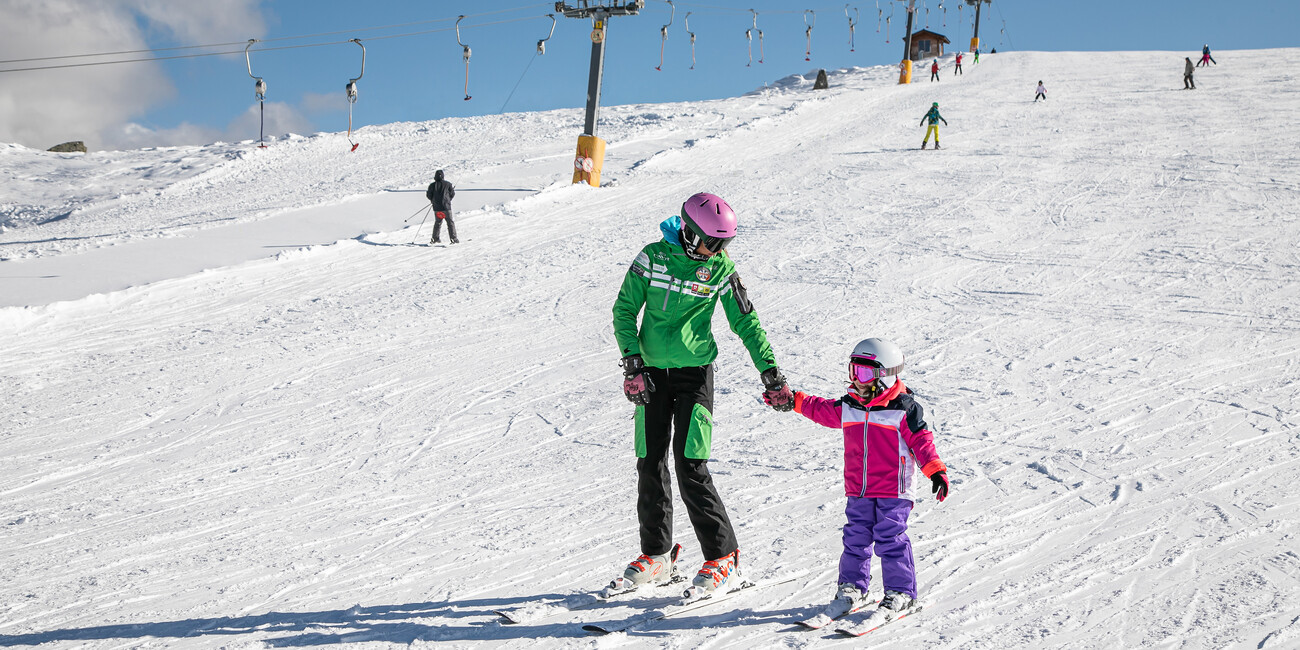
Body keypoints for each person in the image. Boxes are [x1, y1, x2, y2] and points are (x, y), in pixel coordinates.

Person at [610, 192, 794, 598]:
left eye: (723, 244)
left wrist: (770, 371)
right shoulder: (652, 258)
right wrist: (633, 363)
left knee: (690, 463)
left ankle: (722, 556)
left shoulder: (720, 269)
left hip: (695, 376)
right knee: (650, 459)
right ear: (691, 233)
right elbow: (624, 310)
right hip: (652, 375)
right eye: (712, 242)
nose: (717, 251)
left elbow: (747, 322)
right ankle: (656, 555)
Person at [787, 338, 949, 625]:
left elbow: (922, 441)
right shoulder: (850, 405)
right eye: (853, 372)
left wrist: (935, 470)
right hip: (859, 489)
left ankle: (901, 593)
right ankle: (853, 590)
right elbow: (822, 409)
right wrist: (795, 401)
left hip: (893, 489)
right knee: (855, 538)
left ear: (884, 376)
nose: (857, 381)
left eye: (863, 374)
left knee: (890, 539)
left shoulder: (903, 408)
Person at [425, 169, 457, 244]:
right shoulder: (448, 184)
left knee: (438, 223)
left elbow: (429, 195)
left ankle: (435, 238)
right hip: (446, 207)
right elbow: (452, 194)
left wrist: (433, 201)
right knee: (450, 223)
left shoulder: (432, 185)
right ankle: (453, 239)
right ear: (443, 176)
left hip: (437, 208)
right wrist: (448, 200)